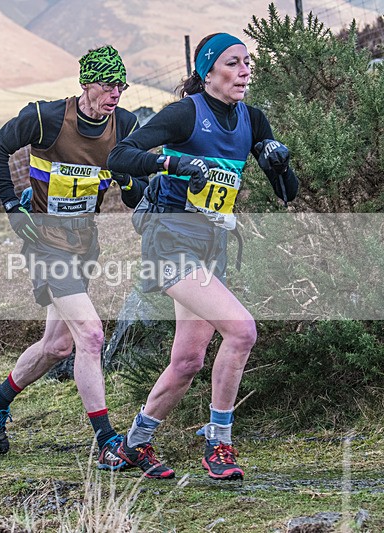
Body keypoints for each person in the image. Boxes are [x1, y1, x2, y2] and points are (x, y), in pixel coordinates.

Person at [107, 33, 299, 480]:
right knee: (242, 330)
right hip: (169, 241)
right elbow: (120, 156)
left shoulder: (253, 120)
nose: (245, 71)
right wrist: (173, 165)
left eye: (248, 62)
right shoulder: (184, 114)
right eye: (233, 63)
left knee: (188, 361)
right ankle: (218, 443)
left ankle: (132, 445)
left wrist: (279, 163)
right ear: (208, 71)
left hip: (210, 248)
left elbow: (288, 195)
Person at [0, 45, 146, 469]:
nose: (115, 94)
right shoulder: (45, 117)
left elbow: (135, 190)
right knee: (90, 336)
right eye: (108, 85)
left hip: (83, 244)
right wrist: (12, 207)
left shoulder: (124, 125)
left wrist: (129, 183)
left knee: (57, 345)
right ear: (86, 82)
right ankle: (107, 442)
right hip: (45, 243)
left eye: (121, 86)